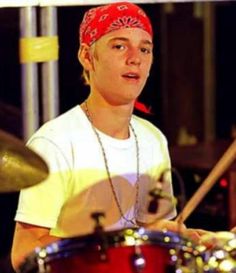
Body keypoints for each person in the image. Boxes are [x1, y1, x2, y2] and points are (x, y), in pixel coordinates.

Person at [11, 2, 199, 270]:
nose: (135, 57)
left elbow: (149, 231)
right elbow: (23, 254)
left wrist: (178, 235)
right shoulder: (54, 143)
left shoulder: (152, 139)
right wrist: (116, 244)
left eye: (145, 49)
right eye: (119, 46)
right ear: (87, 57)